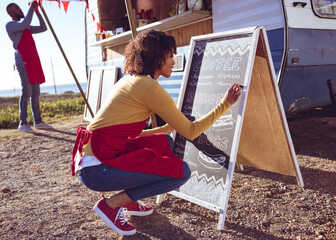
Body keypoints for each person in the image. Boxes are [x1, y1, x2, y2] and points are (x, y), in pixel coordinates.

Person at [71, 29, 242, 236]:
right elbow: (191, 131)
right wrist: (225, 104)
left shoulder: (130, 80)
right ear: (156, 56)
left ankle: (130, 200)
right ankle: (112, 204)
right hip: (96, 170)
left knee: (163, 142)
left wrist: (166, 128)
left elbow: (124, 134)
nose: (173, 61)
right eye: (170, 55)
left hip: (93, 159)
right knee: (182, 172)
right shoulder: (149, 88)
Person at [6, 1, 51, 133]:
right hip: (22, 59)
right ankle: (23, 123)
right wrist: (32, 8)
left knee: (36, 92)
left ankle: (38, 121)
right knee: (27, 91)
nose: (20, 10)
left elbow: (43, 28)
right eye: (17, 8)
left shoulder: (26, 28)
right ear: (11, 12)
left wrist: (37, 12)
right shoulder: (11, 25)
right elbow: (25, 23)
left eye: (20, 7)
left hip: (32, 60)